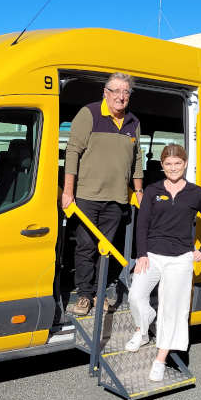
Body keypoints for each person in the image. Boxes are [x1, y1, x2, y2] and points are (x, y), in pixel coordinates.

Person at [127, 143, 201, 382]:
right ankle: (142, 328)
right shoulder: (153, 190)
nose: (173, 167)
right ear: (162, 165)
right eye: (168, 164)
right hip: (152, 255)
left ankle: (160, 359)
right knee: (135, 296)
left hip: (180, 259)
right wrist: (142, 254)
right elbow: (142, 224)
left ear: (185, 164)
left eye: (178, 163)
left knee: (172, 309)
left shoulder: (196, 193)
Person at [62, 72, 144, 315]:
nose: (121, 96)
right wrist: (68, 191)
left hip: (117, 198)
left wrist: (139, 190)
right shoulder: (89, 114)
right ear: (105, 93)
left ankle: (99, 294)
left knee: (106, 249)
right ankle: (84, 295)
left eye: (126, 92)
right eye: (115, 91)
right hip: (87, 196)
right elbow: (72, 152)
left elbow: (137, 160)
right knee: (86, 247)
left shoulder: (133, 122)